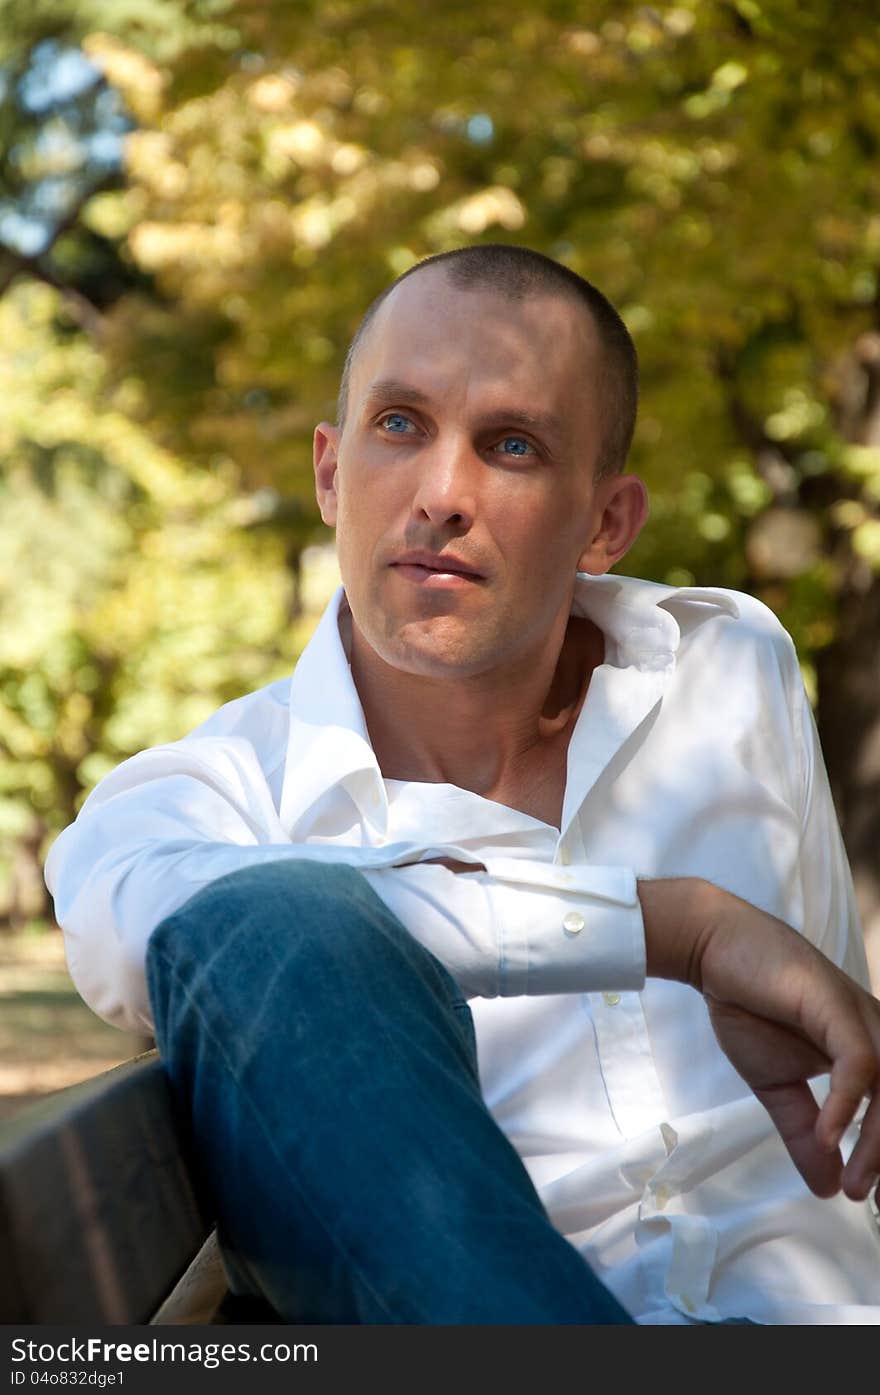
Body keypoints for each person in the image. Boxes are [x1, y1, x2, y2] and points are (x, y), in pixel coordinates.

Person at [45, 244, 880, 1325]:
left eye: (513, 445)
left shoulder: (726, 666)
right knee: (270, 919)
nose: (442, 494)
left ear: (605, 524)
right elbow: (145, 920)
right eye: (398, 424)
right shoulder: (217, 793)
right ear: (330, 473)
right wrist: (670, 929)